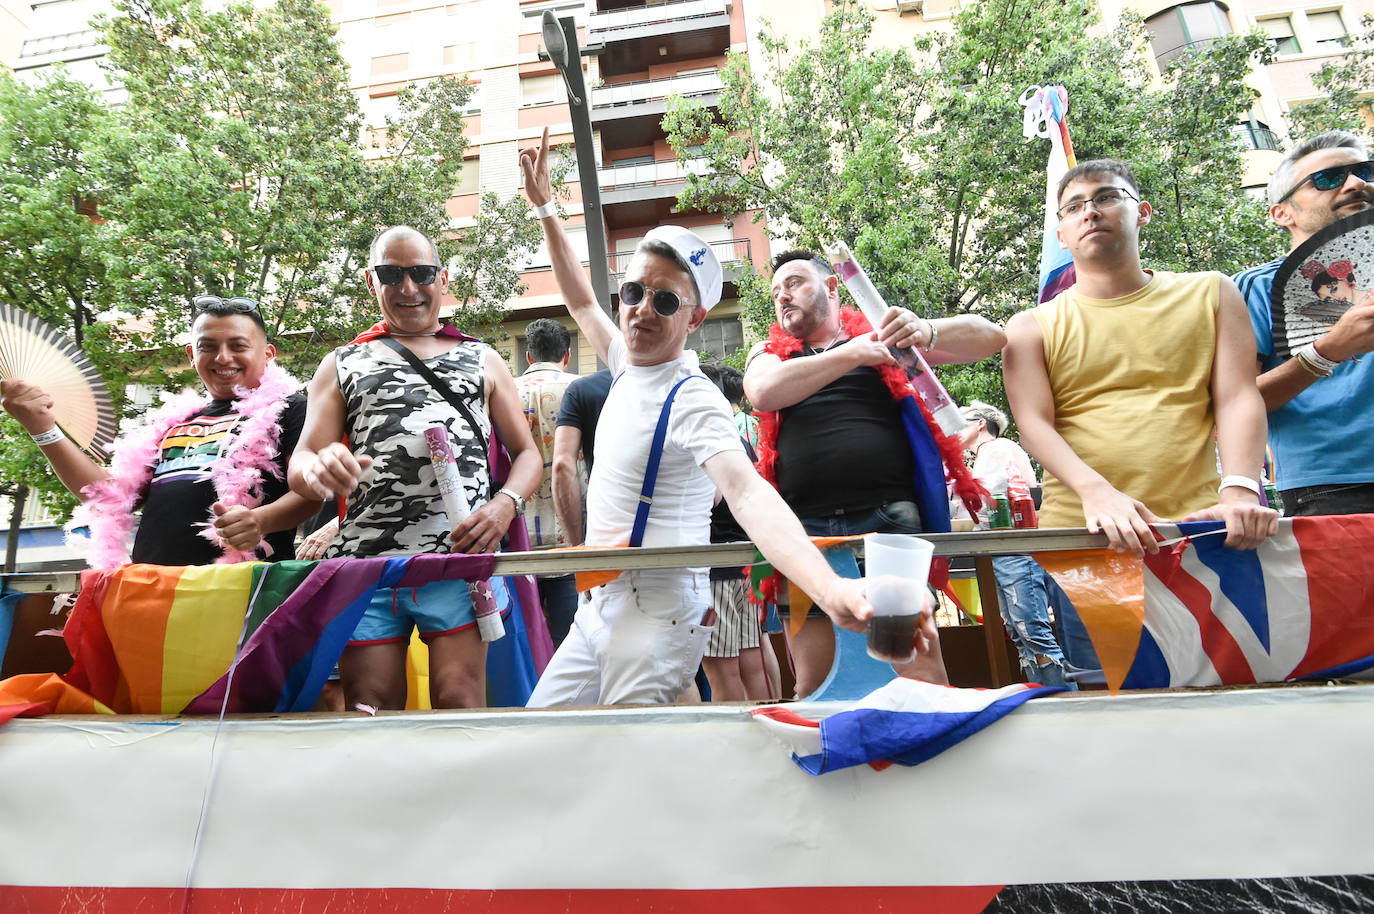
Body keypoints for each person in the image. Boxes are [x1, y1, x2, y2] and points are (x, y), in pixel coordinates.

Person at [519, 127, 935, 706]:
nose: (641, 309)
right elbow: (582, 300)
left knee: (630, 773)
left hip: (656, 611)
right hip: (599, 605)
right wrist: (544, 207)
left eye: (664, 300)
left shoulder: (692, 395)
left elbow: (748, 494)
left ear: (695, 318)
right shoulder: (623, 362)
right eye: (634, 291)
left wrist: (829, 588)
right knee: (544, 739)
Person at [289, 225, 541, 712]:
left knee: (459, 702)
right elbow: (301, 461)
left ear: (442, 279)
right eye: (392, 274)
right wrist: (319, 469)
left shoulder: (483, 358)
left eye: (421, 273)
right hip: (366, 564)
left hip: (457, 560)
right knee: (370, 708)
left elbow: (528, 454)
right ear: (371, 281)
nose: (408, 287)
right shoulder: (341, 362)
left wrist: (504, 507)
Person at [743, 249, 1006, 698]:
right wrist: (853, 356)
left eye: (793, 283)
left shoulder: (886, 338)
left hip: (888, 522)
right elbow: (762, 392)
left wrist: (925, 330)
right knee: (815, 683)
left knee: (917, 669)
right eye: (775, 292)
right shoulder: (769, 353)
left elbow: (993, 337)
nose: (781, 295)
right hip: (802, 532)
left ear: (830, 287)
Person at [1003, 158, 1278, 561]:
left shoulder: (1212, 293)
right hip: (1085, 533)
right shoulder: (1029, 327)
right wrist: (1097, 492)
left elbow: (1237, 397)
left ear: (1143, 212)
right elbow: (1032, 427)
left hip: (1203, 525)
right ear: (1061, 234)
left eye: (1107, 196)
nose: (1091, 211)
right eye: (1074, 206)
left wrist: (1239, 489)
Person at [1, 296, 319, 567]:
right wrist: (43, 429)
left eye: (238, 346)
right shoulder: (172, 422)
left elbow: (309, 496)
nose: (223, 357)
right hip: (151, 590)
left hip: (244, 591)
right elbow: (110, 496)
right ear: (191, 356)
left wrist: (260, 521)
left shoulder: (293, 408)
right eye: (208, 346)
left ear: (268, 354)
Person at [1233, 132, 1374, 516]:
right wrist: (1328, 350)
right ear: (1283, 213)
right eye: (1328, 178)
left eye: (1365, 171)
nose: (1357, 183)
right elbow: (1235, 404)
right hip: (1336, 487)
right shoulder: (1256, 288)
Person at [956, 401, 1075, 689]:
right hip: (1001, 549)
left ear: (980, 424)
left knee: (1031, 630)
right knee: (1019, 632)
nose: (953, 429)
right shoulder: (987, 455)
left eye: (959, 421)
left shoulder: (1000, 448)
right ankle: (1046, 698)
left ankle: (1064, 701)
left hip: (1014, 549)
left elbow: (1006, 501)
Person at [698, 362, 770, 702]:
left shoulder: (707, 439)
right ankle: (768, 732)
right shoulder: (740, 439)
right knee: (751, 661)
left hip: (716, 569)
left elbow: (708, 501)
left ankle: (736, 748)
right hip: (746, 563)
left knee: (720, 666)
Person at [514, 317, 580, 646]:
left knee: (526, 645)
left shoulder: (505, 392)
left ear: (528, 356)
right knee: (569, 642)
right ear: (567, 356)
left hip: (517, 539)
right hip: (573, 538)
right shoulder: (581, 389)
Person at [551, 368, 611, 547]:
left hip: (604, 529)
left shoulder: (583, 389)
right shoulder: (689, 383)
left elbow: (562, 465)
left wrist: (577, 546)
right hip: (681, 535)